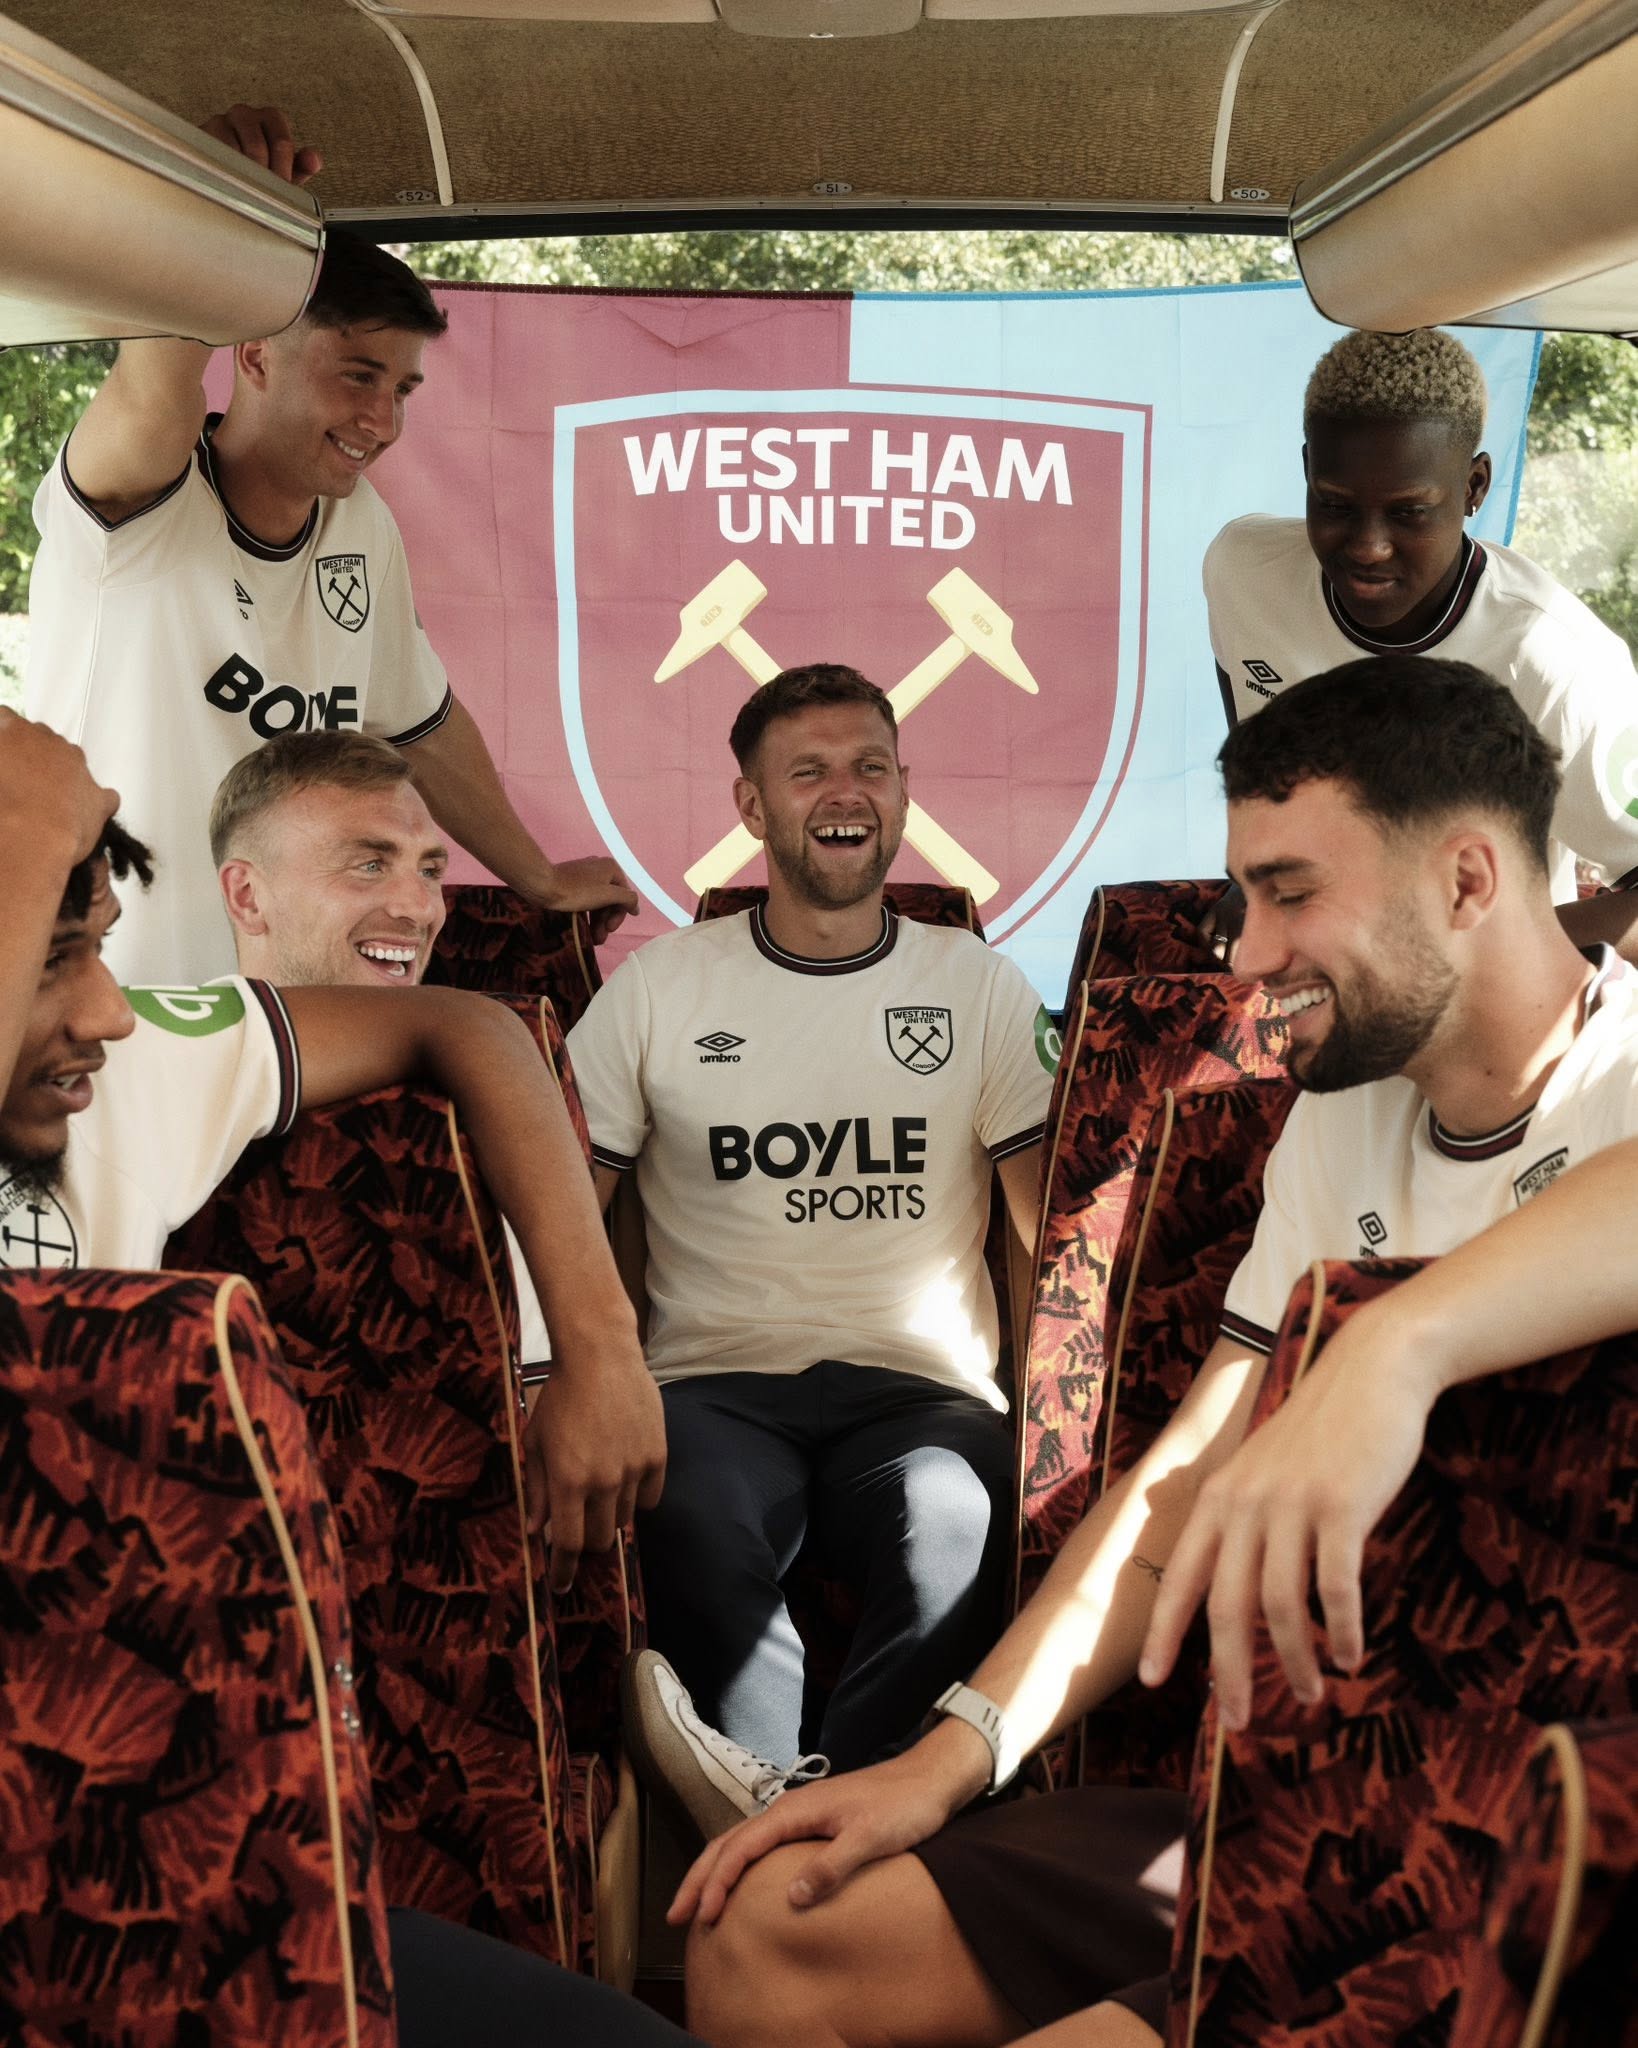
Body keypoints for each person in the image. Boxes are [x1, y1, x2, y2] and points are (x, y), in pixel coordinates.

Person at [662, 655, 1638, 2048]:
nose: (1245, 955)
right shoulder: (1344, 1115)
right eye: (1245, 897)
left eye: (1288, 891)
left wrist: (1396, 1341)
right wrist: (948, 1756)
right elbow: (1182, 1486)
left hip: (1543, 1850)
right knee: (769, 1926)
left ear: (1468, 880)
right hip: (1299, 1811)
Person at [0, 709, 685, 2047]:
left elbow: (469, 1027)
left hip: (164, 1864)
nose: (106, 1010)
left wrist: (600, 1348)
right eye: (47, 956)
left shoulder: (142, 1070)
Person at [568, 663, 1056, 1813]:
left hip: (924, 1393)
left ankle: (839, 1817)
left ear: (903, 792)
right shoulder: (658, 989)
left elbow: (1053, 1225)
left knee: (955, 1518)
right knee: (694, 1514)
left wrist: (1066, 1411)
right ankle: (777, 1825)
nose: (846, 791)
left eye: (870, 767)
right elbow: (565, 1206)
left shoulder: (980, 986)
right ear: (752, 806)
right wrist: (575, 1375)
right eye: (809, 771)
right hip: (713, 1387)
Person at [24, 102, 637, 988]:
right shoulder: (144, 503)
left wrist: (535, 877)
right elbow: (153, 387)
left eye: (402, 390)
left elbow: (421, 723)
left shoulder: (360, 524)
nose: (381, 420)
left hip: (282, 1011)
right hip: (107, 999)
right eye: (357, 375)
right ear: (255, 356)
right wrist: (207, 207)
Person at [1202, 325, 1638, 964]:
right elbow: (1254, 749)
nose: (1368, 546)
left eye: (1409, 512)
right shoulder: (1243, 571)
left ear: (1474, 487)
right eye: (1335, 505)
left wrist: (1445, 953)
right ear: (1306, 469)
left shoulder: (1555, 659)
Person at [208, 726, 556, 1380]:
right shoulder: (150, 1077)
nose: (420, 909)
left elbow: (534, 1390)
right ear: (248, 896)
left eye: (430, 870)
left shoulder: (488, 1102)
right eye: (369, 865)